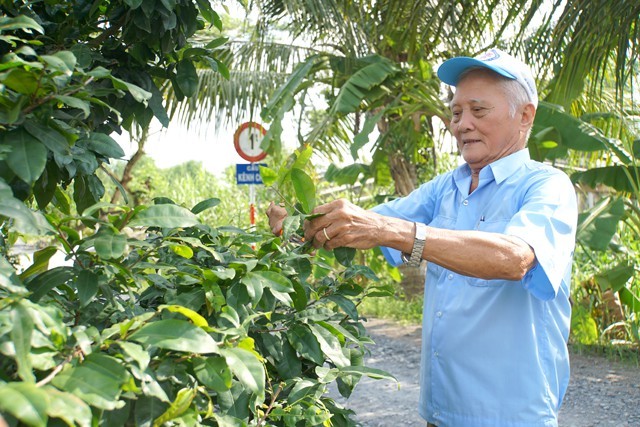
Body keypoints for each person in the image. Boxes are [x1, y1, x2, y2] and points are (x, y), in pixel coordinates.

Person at [267, 48, 577, 427]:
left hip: (509, 415)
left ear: (524, 115)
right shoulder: (447, 187)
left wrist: (395, 232)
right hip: (440, 413)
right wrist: (303, 222)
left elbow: (514, 259)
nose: (462, 124)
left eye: (478, 111)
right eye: (456, 112)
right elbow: (364, 223)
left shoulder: (547, 186)